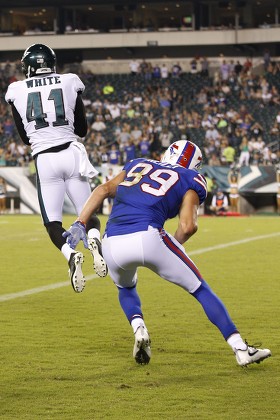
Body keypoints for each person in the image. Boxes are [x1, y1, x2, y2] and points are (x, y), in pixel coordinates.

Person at [63, 139, 271, 367]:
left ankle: (139, 328)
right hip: (148, 235)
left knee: (126, 287)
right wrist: (170, 250)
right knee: (199, 288)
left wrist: (80, 223)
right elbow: (188, 225)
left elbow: (103, 190)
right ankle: (241, 349)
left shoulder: (137, 164)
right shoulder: (190, 177)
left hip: (111, 243)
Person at [5, 43, 107, 293]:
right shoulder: (70, 80)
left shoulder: (16, 89)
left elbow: (25, 138)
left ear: (28, 66)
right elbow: (82, 129)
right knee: (89, 215)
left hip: (46, 160)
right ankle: (94, 241)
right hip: (72, 154)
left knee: (52, 223)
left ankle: (71, 254)